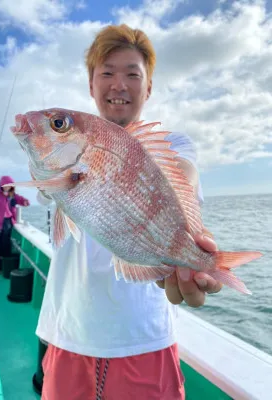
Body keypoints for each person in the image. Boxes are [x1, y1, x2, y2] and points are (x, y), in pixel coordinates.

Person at [35, 24, 222, 400]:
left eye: (132, 74)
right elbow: (47, 189)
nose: (119, 84)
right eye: (107, 73)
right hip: (68, 333)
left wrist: (191, 247)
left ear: (148, 87)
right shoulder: (64, 152)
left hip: (143, 339)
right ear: (91, 86)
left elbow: (180, 176)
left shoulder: (172, 145)